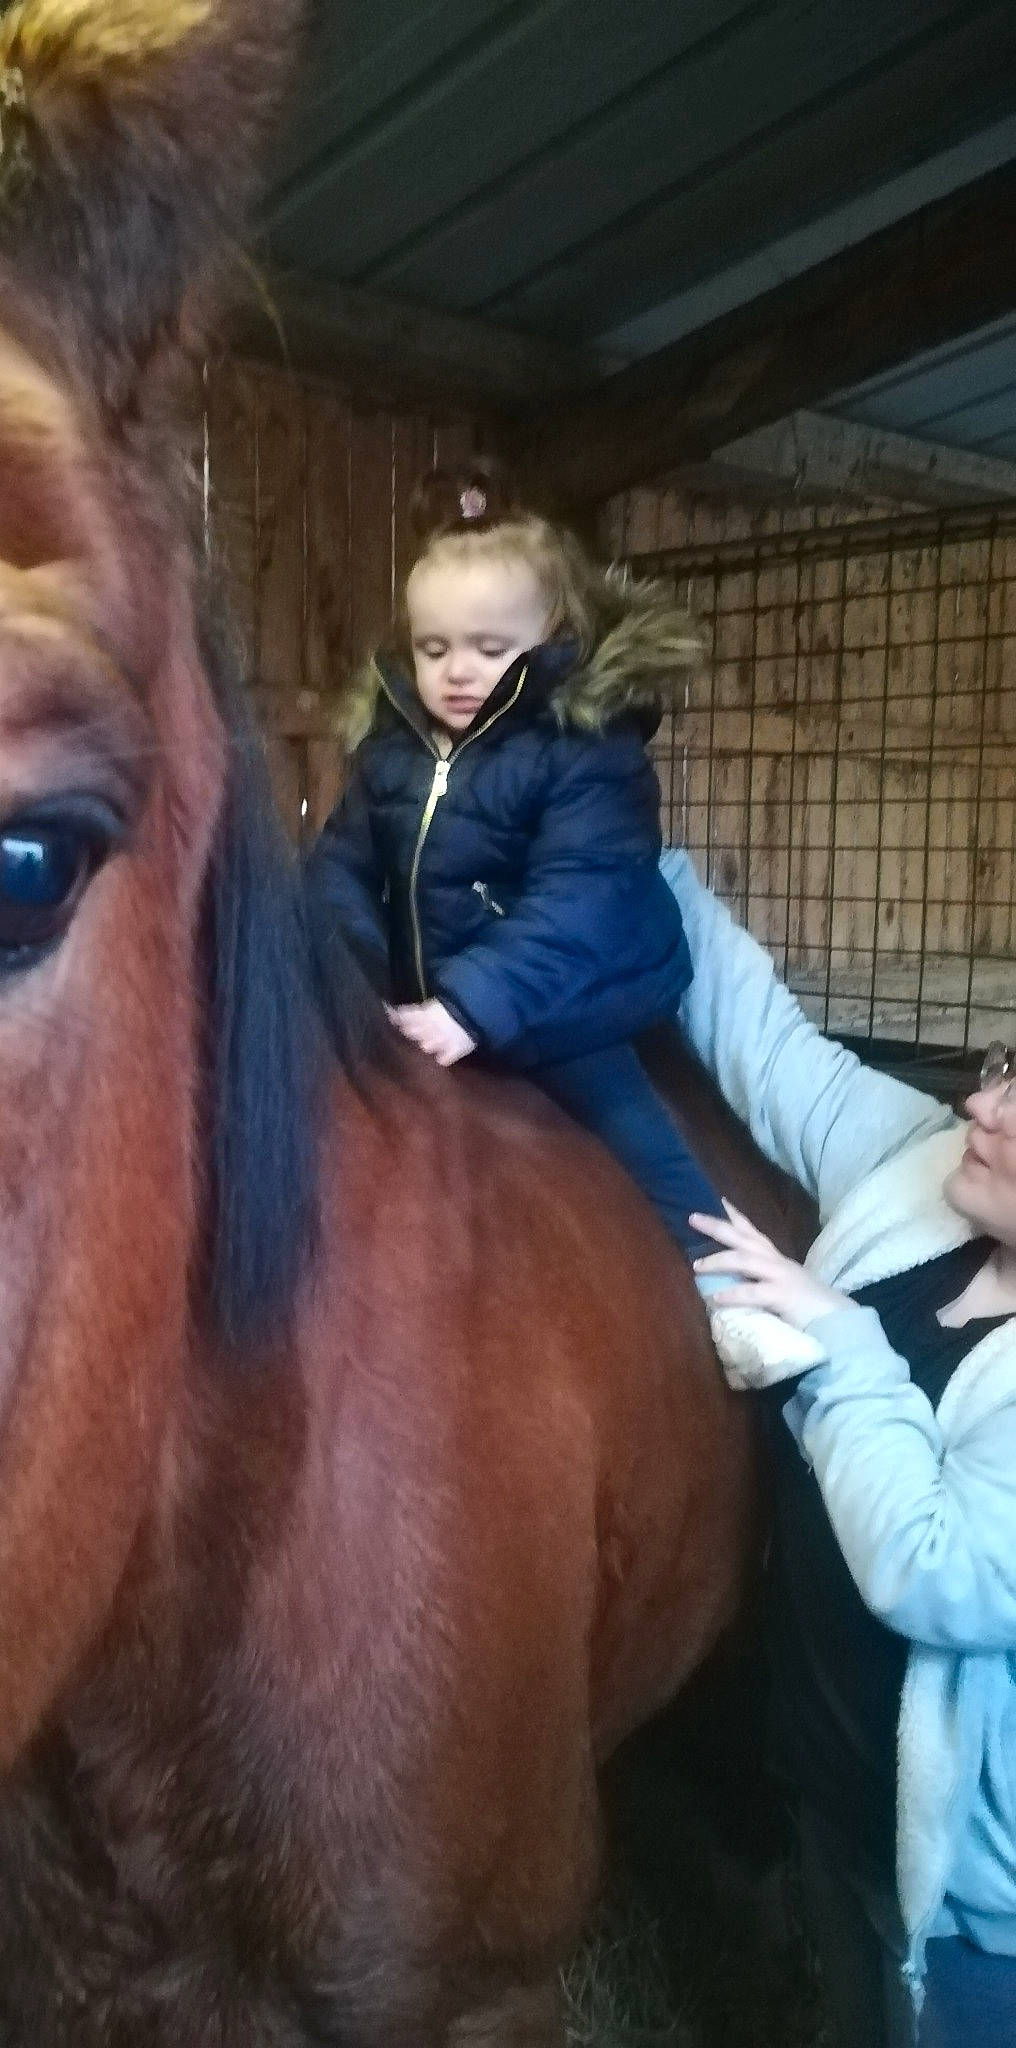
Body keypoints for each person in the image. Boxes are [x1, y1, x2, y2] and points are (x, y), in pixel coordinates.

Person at [307, 466, 810, 1380]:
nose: (456, 670)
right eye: (433, 648)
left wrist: (471, 1005)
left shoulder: (585, 749)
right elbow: (343, 864)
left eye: (490, 647)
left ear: (552, 641)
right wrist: (355, 971)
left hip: (560, 995)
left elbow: (579, 897)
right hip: (427, 993)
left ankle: (730, 1290)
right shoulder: (395, 746)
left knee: (631, 1120)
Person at [661, 845, 1016, 2048]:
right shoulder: (923, 1172)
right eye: (1006, 1069)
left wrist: (840, 1344)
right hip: (833, 1783)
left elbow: (940, 1567)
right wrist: (624, 842)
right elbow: (778, 1057)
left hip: (971, 1899)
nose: (983, 1099)